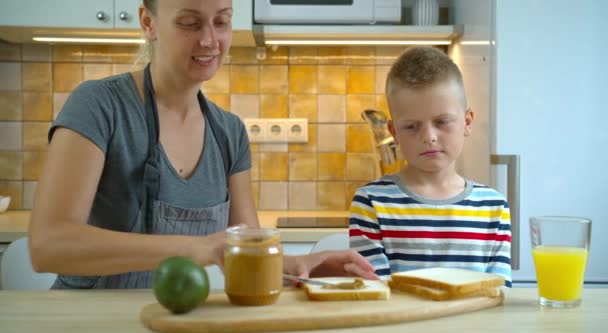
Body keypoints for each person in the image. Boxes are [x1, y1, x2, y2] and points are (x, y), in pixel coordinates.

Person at [28, 0, 377, 289]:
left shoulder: (229, 132)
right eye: (190, 23)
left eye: (221, 22)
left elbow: (245, 254)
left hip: (180, 320)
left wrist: (300, 266)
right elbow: (48, 245)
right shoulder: (99, 106)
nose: (210, 40)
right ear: (148, 22)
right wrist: (203, 247)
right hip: (85, 324)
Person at [349, 46, 512, 287]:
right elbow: (376, 295)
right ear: (394, 132)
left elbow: (498, 295)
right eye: (412, 126)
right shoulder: (371, 202)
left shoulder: (494, 207)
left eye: (442, 122)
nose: (429, 137)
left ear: (466, 123)